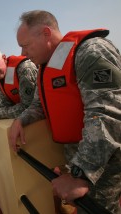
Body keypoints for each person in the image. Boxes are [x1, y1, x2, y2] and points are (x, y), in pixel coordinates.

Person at [9, 10, 121, 213]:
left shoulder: (91, 51)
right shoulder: (46, 65)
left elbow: (107, 113)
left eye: (25, 46)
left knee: (100, 208)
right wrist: (20, 120)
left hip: (104, 161)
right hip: (76, 155)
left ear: (45, 33)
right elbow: (39, 104)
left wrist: (81, 173)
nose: (23, 54)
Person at [0, 46, 38, 122]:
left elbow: (29, 106)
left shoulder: (25, 69)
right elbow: (5, 103)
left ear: (4, 58)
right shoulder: (0, 77)